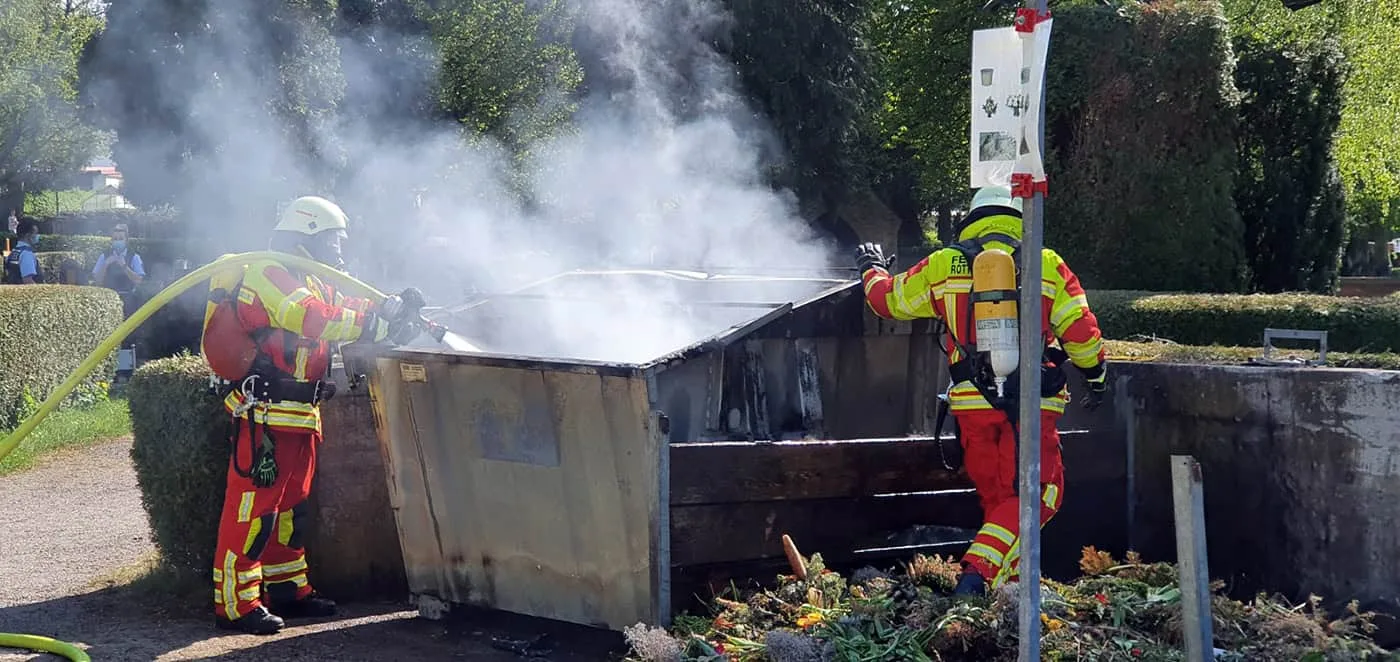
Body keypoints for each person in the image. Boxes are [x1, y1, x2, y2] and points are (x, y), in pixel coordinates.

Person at [854, 184, 1108, 598]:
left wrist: (871, 268)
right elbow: (1080, 332)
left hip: (972, 405)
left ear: (970, 220)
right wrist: (1095, 376)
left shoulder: (944, 264)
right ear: (1019, 218)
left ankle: (1006, 596)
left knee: (998, 500)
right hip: (1029, 404)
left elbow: (888, 302)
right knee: (1039, 494)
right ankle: (976, 579)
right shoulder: (1046, 262)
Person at [203, 195, 423, 635]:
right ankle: (237, 603)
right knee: (253, 508)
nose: (339, 249)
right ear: (307, 235)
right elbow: (308, 316)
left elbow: (348, 309)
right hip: (265, 413)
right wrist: (372, 324)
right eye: (332, 239)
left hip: (301, 413)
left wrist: (390, 312)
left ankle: (289, 590)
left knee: (291, 510)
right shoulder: (269, 271)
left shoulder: (314, 280)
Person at [92, 224, 146, 293]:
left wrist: (124, 266)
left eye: (121, 239)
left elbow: (138, 281)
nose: (118, 241)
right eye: (115, 239)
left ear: (126, 241)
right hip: (108, 296)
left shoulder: (135, 257)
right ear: (112, 241)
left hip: (128, 297)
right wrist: (105, 265)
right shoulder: (104, 256)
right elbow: (97, 281)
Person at [3, 219, 43, 284]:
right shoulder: (26, 254)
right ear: (28, 235)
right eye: (35, 233)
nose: (37, 236)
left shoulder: (14, 251)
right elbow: (28, 280)